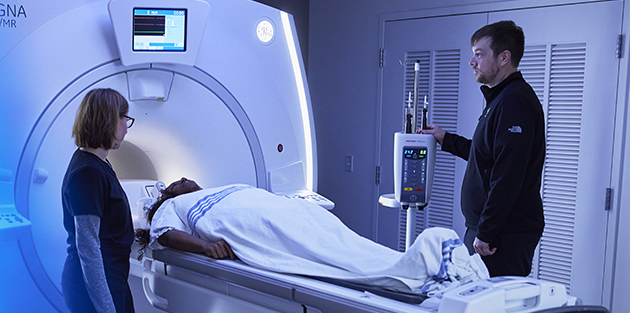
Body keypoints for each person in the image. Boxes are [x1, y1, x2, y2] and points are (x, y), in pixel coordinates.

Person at [135, 178, 489, 295]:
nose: (183, 178)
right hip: (258, 224)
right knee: (325, 254)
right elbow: (164, 235)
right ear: (169, 193)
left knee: (341, 241)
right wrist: (205, 245)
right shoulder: (176, 204)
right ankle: (417, 265)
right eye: (175, 181)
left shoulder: (223, 185)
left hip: (286, 210)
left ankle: (424, 263)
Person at [419, 20, 545, 277]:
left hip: (501, 237)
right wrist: (446, 139)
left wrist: (486, 232)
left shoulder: (513, 103)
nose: (472, 62)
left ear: (503, 58)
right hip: (490, 231)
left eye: (479, 54)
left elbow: (507, 174)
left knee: (488, 312)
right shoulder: (500, 99)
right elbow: (487, 156)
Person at [61, 88, 138, 313]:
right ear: (107, 119)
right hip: (95, 285)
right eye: (123, 118)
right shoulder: (87, 172)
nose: (126, 127)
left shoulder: (99, 164)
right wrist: (106, 309)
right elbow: (88, 246)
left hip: (111, 278)